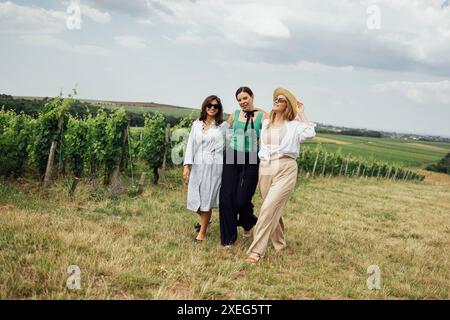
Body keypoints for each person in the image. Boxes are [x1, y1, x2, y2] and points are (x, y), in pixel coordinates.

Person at [245, 87, 316, 263]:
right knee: (272, 207)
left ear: (288, 106)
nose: (276, 101)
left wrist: (300, 113)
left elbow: (310, 133)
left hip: (286, 167)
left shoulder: (294, 126)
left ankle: (256, 251)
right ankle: (279, 243)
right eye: (276, 99)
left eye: (281, 100)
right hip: (266, 167)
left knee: (267, 209)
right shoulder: (266, 124)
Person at [219, 87, 268, 246]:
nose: (242, 102)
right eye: (239, 100)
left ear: (252, 96)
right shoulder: (234, 114)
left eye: (245, 98)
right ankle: (228, 238)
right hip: (233, 154)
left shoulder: (263, 116)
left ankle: (248, 222)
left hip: (252, 157)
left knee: (242, 200)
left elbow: (271, 135)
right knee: (226, 197)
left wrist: (262, 142)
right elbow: (222, 130)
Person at [183, 95, 229, 242]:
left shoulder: (223, 126)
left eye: (215, 106)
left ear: (219, 109)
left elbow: (229, 146)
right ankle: (205, 219)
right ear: (205, 106)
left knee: (206, 199)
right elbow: (191, 145)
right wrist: (186, 166)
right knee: (194, 198)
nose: (212, 108)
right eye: (209, 105)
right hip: (197, 165)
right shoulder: (196, 124)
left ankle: (201, 234)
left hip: (214, 167)